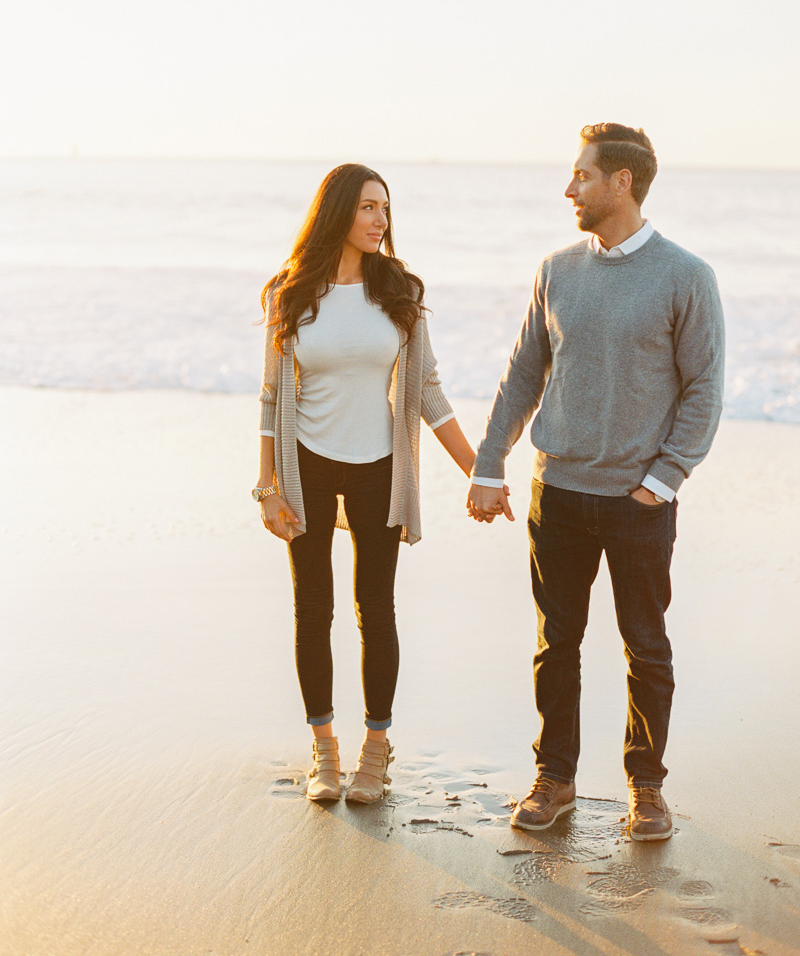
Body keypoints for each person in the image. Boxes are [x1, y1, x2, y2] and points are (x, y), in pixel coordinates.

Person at [467, 124, 725, 841]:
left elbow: (704, 388)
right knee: (558, 642)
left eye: (581, 175)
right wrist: (490, 462)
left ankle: (646, 787)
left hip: (639, 500)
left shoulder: (685, 275)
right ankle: (556, 776)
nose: (569, 187)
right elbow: (524, 371)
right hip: (560, 492)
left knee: (645, 643)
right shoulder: (556, 268)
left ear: (622, 182)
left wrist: (665, 477)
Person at [254, 163, 478, 805]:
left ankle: (375, 749)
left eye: (385, 208)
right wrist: (267, 484)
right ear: (338, 214)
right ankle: (325, 749)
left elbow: (427, 387)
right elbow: (272, 398)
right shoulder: (289, 293)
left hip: (379, 462)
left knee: (375, 609)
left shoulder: (398, 290)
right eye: (368, 208)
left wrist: (477, 468)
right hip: (306, 463)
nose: (381, 220)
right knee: (312, 607)